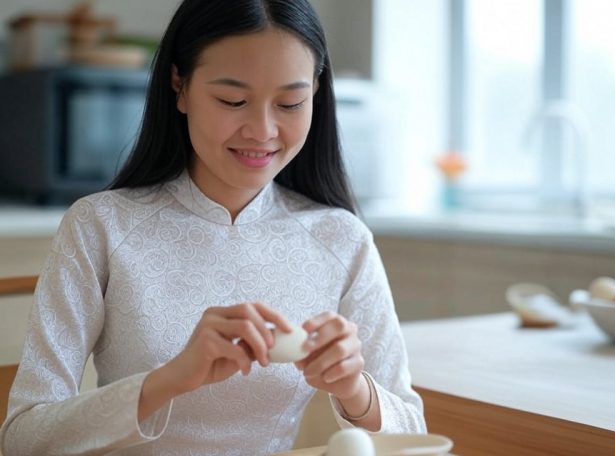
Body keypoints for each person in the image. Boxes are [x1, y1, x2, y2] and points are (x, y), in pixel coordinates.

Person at [0, 0, 426, 454]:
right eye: (233, 100)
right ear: (179, 86)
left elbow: (414, 436)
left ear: (316, 95)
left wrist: (354, 388)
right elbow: (22, 437)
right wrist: (170, 379)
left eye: (290, 102)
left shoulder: (342, 240)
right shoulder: (100, 226)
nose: (262, 130)